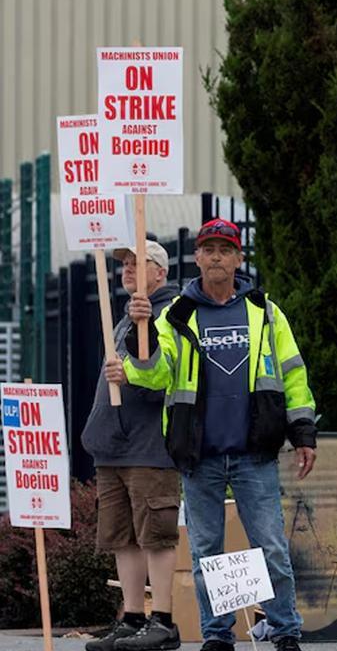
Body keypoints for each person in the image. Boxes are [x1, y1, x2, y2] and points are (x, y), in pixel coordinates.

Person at [106, 218, 317, 651]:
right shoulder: (177, 314)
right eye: (209, 250)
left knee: (271, 548)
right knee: (206, 553)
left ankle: (285, 631)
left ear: (239, 259)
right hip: (198, 453)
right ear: (197, 257)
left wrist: (303, 433)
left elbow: (293, 374)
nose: (217, 257)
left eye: (226, 249)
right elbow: (154, 375)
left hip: (254, 452)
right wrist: (142, 339)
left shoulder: (265, 312)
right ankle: (217, 635)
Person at [83, 240, 182, 651]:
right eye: (124, 263)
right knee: (121, 536)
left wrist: (133, 371)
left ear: (161, 272)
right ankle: (133, 618)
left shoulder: (171, 313)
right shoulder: (125, 317)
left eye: (139, 263)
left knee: (155, 534)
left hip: (149, 446)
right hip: (114, 447)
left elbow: (165, 374)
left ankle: (163, 620)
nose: (127, 269)